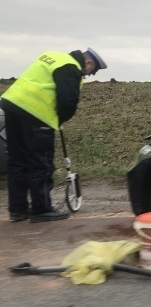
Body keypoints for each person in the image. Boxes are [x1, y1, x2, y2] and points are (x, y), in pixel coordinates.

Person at [1, 47, 107, 222]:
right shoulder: (71, 67)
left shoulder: (52, 56)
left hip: (12, 106)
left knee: (17, 161)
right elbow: (67, 101)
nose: (87, 75)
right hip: (36, 114)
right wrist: (60, 119)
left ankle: (17, 210)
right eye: (90, 72)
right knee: (40, 162)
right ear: (89, 63)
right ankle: (41, 209)